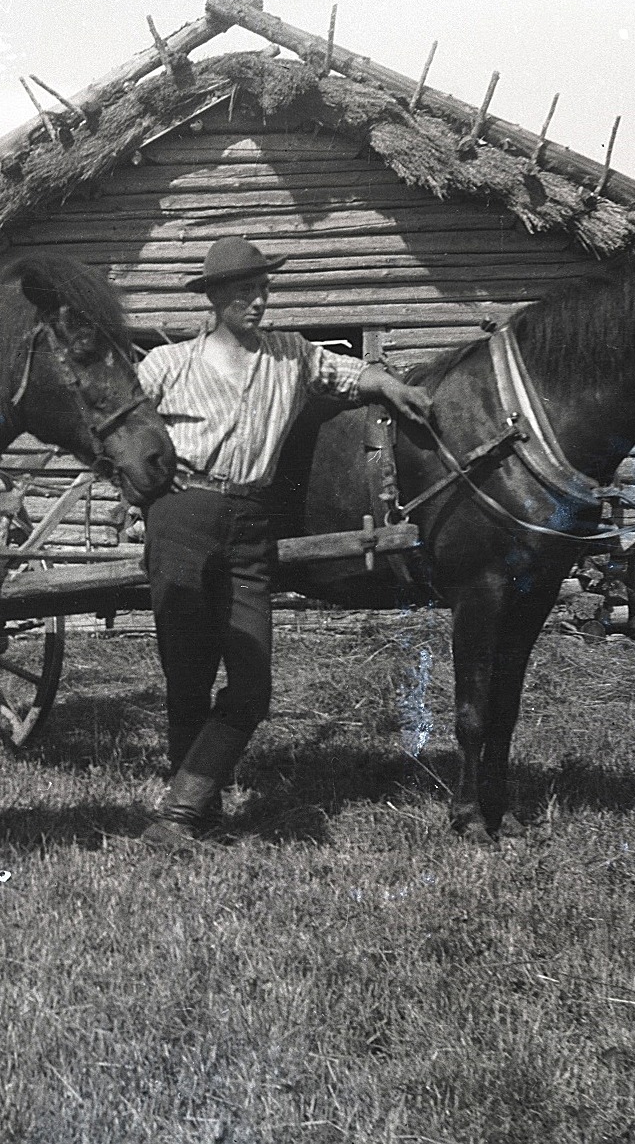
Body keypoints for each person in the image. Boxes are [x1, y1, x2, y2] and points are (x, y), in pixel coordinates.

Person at [135, 236, 435, 851]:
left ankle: (177, 813)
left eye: (264, 289)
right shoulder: (166, 367)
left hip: (250, 520)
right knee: (187, 674)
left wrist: (391, 386)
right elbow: (126, 437)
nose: (259, 301)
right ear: (215, 299)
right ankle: (193, 812)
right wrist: (132, 499)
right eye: (246, 291)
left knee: (251, 686)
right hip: (181, 514)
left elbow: (351, 374)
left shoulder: (290, 356)